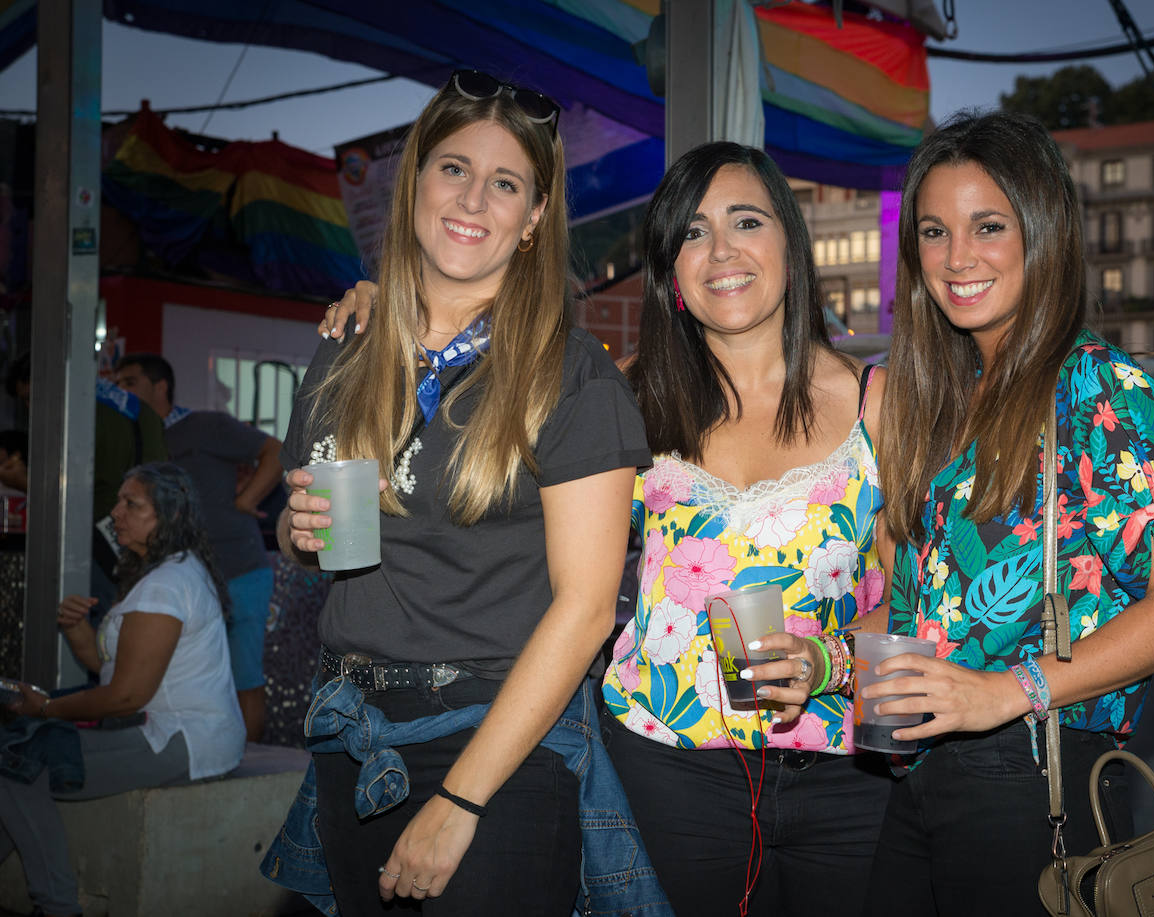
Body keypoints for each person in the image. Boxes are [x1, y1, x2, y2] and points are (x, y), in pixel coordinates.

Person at [324, 141, 894, 917]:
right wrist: (390, 311)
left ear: (791, 243)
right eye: (691, 233)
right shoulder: (616, 393)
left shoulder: (876, 401)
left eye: (746, 221)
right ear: (671, 273)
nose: (720, 250)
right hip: (664, 768)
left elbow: (923, 598)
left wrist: (826, 659)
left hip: (843, 770)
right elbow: (519, 535)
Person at [273, 70, 654, 915]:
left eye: (506, 182)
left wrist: (462, 798)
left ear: (531, 221)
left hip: (492, 742)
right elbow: (299, 534)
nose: (473, 197)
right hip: (350, 726)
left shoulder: (573, 377)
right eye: (453, 168)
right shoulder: (345, 344)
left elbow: (588, 608)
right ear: (415, 182)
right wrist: (295, 531)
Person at [856, 111, 1154, 914]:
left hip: (1034, 779)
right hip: (921, 775)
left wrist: (1007, 689)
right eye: (934, 231)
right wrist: (837, 662)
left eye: (988, 226)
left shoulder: (1100, 392)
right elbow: (920, 605)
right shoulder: (941, 403)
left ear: (1043, 233)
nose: (958, 258)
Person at [1, 462, 245, 917]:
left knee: (15, 761)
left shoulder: (167, 584)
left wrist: (47, 708)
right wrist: (77, 630)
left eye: (131, 504)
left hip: (178, 742)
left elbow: (127, 695)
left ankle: (56, 906)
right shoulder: (161, 573)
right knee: (13, 760)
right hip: (176, 736)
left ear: (167, 517)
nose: (115, 512)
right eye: (119, 501)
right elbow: (108, 669)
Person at [114, 353, 282, 742]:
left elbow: (275, 451)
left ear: (161, 387)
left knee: (243, 678)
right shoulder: (135, 439)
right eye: (118, 383)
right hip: (177, 579)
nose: (122, 391)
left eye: (131, 382)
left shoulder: (205, 425)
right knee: (178, 677)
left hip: (237, 569)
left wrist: (246, 499)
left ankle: (248, 773)